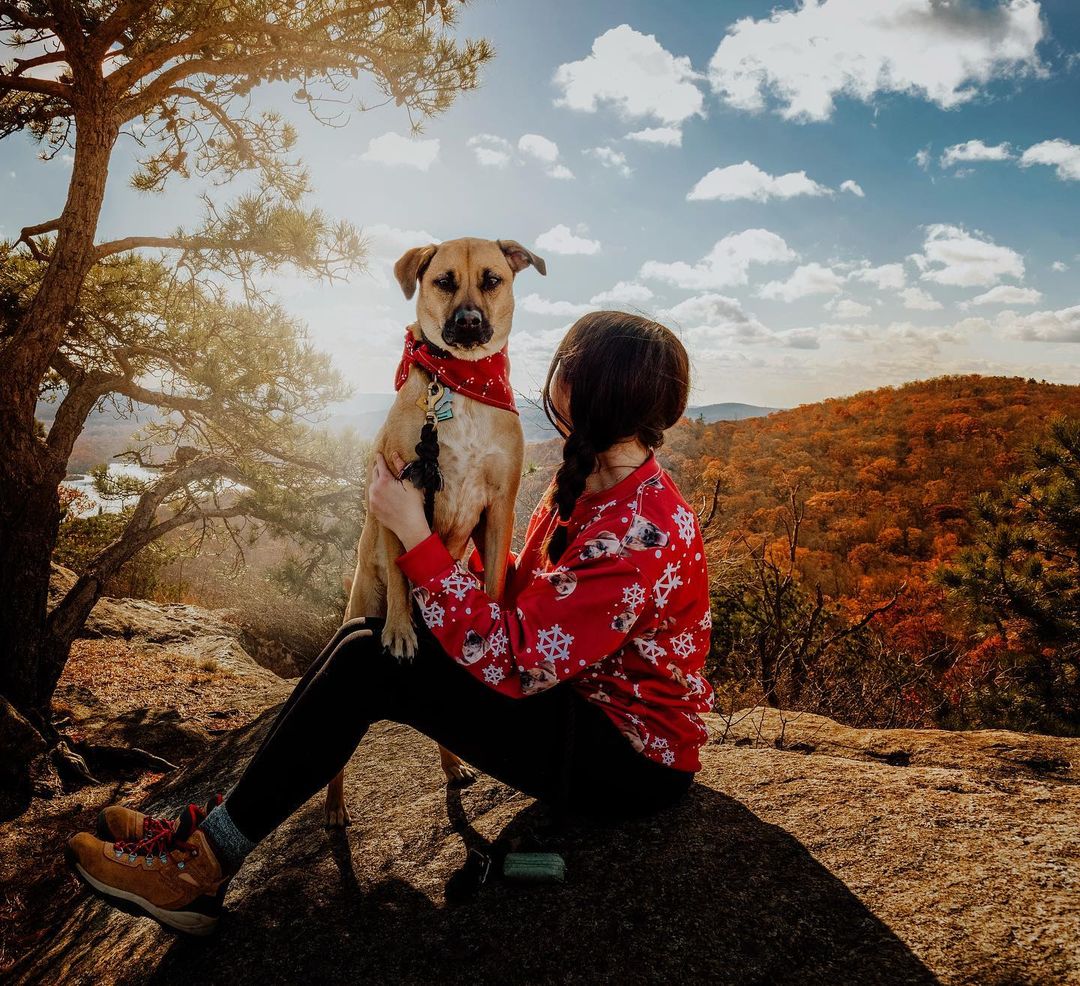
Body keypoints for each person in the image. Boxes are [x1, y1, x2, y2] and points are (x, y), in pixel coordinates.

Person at [66, 311, 716, 934]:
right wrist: (450, 545)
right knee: (364, 637)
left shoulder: (641, 532)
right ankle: (209, 834)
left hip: (627, 764)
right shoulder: (593, 477)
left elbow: (516, 658)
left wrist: (414, 535)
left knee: (374, 659)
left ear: (578, 390)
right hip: (580, 709)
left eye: (562, 368)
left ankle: (200, 868)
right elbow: (541, 602)